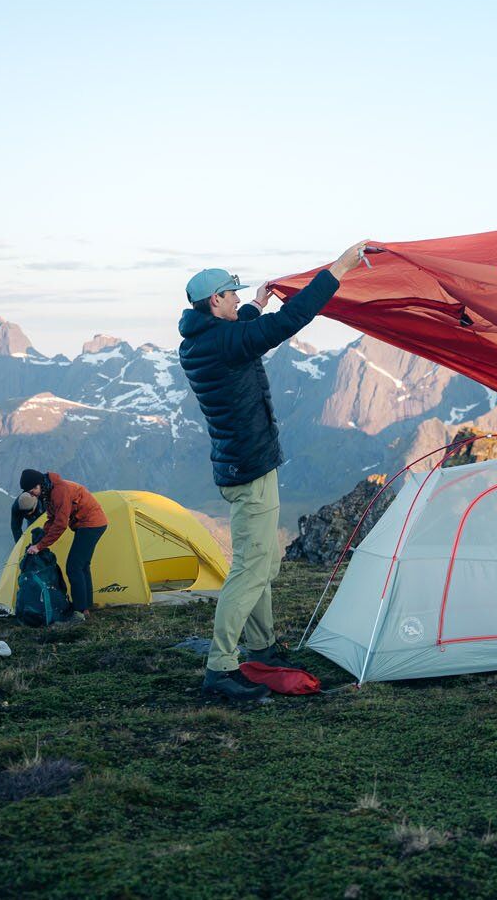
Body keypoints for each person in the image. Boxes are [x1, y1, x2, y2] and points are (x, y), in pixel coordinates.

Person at [180, 240, 371, 700]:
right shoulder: (224, 343)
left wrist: (253, 308)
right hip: (250, 470)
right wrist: (339, 269)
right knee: (250, 569)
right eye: (232, 295)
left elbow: (239, 334)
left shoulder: (202, 341)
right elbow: (289, 322)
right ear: (215, 301)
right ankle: (221, 667)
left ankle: (262, 646)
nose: (238, 300)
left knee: (262, 562)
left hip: (243, 465)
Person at [18, 469, 109, 622]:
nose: (32, 494)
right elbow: (52, 519)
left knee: (74, 567)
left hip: (92, 523)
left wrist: (40, 546)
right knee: (82, 565)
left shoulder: (59, 491)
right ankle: (86, 606)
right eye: (29, 492)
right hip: (87, 523)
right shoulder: (48, 491)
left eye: (33, 490)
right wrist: (41, 537)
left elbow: (60, 524)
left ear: (39, 484)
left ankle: (80, 611)